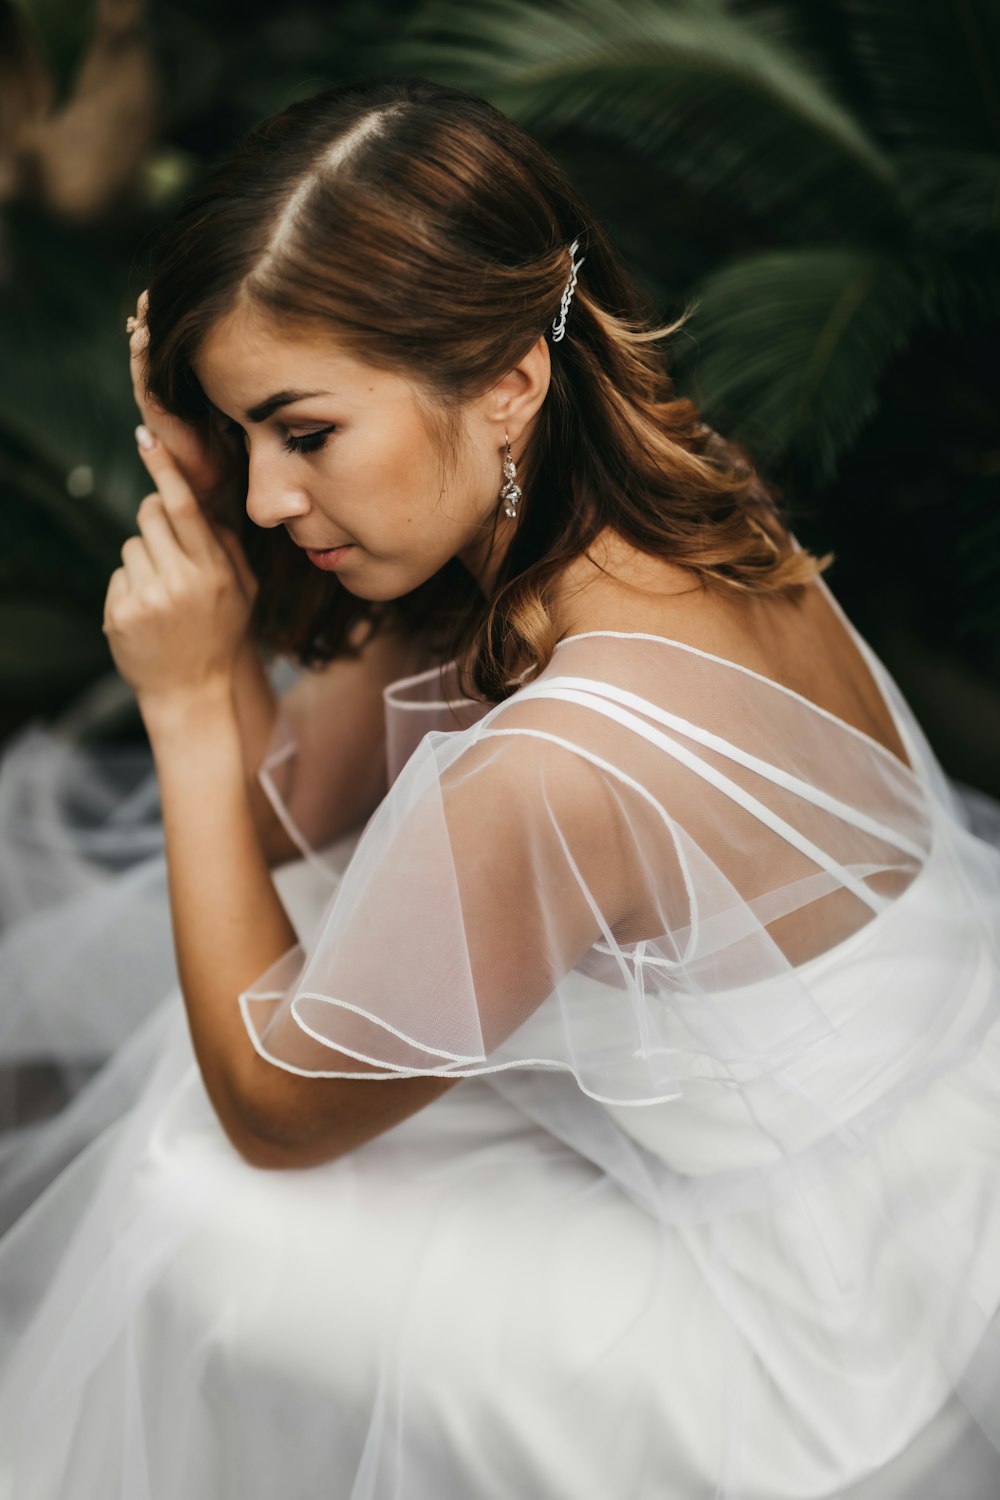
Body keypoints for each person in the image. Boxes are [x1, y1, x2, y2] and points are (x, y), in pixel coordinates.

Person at [1, 74, 999, 1500]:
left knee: (190, 1196)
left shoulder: (555, 769)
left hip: (819, 1323)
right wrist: (216, 486)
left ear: (509, 381)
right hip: (941, 1160)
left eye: (306, 433)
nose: (273, 498)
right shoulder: (663, 488)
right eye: (245, 440)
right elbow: (303, 812)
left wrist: (182, 708)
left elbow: (273, 1112)